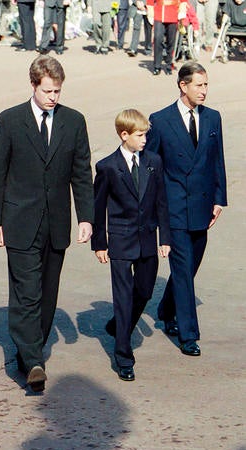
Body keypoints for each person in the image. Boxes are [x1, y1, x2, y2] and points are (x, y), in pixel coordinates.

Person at [0, 56, 93, 392]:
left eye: (57, 91)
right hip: (19, 221)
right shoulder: (10, 121)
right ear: (33, 85)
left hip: (57, 223)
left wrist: (86, 217)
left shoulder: (74, 122)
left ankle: (29, 349)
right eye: (47, 90)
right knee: (25, 293)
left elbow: (81, 174)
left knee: (47, 295)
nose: (53, 97)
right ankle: (33, 360)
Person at [146, 62, 227, 356]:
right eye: (199, 85)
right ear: (183, 86)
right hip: (174, 207)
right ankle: (188, 333)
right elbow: (151, 166)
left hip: (203, 206)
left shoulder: (213, 118)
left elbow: (217, 161)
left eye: (206, 85)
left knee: (190, 267)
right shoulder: (161, 120)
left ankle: (167, 309)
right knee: (181, 269)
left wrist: (219, 199)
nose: (204, 91)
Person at [92, 109, 171, 382]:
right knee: (123, 298)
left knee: (145, 291)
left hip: (149, 240)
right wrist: (99, 244)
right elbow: (98, 206)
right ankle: (123, 355)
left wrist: (166, 239)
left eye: (146, 134)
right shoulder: (107, 167)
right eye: (140, 135)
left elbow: (162, 202)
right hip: (121, 241)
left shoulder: (154, 162)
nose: (145, 139)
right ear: (124, 135)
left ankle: (118, 326)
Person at [147, 0, 188, 75]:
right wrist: (150, 10)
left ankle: (169, 64)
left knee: (171, 41)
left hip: (173, 13)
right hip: (159, 13)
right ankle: (157, 66)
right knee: (157, 39)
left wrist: (182, 9)